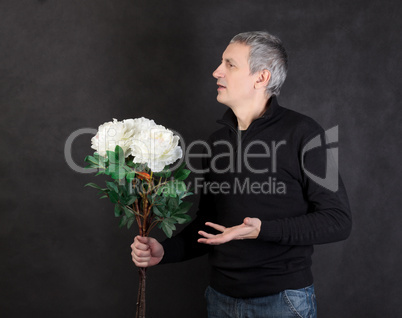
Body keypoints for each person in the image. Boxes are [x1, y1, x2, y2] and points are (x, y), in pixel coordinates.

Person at [131, 31, 352, 318]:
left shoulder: (305, 134)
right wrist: (165, 251)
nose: (216, 71)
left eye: (230, 64)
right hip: (220, 300)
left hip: (283, 303)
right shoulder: (216, 143)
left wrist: (262, 229)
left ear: (261, 78)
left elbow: (338, 221)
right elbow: (208, 223)